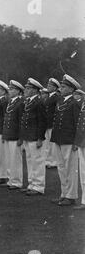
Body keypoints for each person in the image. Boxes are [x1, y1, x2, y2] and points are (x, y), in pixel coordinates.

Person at [50, 75, 80, 206]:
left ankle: (71, 195)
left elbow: (77, 123)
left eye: (63, 87)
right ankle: (64, 193)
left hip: (69, 139)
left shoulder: (74, 103)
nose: (60, 89)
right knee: (61, 167)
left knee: (70, 168)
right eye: (61, 86)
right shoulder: (61, 101)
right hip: (59, 138)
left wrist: (76, 142)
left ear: (71, 89)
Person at [19, 78, 47, 196]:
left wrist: (40, 138)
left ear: (35, 90)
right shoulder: (28, 101)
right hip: (28, 136)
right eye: (26, 88)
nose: (26, 90)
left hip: (35, 136)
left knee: (37, 162)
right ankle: (31, 184)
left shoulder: (38, 102)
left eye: (29, 88)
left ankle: (39, 186)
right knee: (30, 161)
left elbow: (42, 121)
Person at [1, 80, 25, 190]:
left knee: (15, 160)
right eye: (9, 89)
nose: (10, 91)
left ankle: (17, 181)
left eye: (12, 89)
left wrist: (21, 137)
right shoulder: (11, 102)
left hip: (15, 135)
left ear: (18, 91)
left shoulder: (20, 102)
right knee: (9, 159)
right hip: (8, 134)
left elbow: (21, 121)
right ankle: (11, 180)